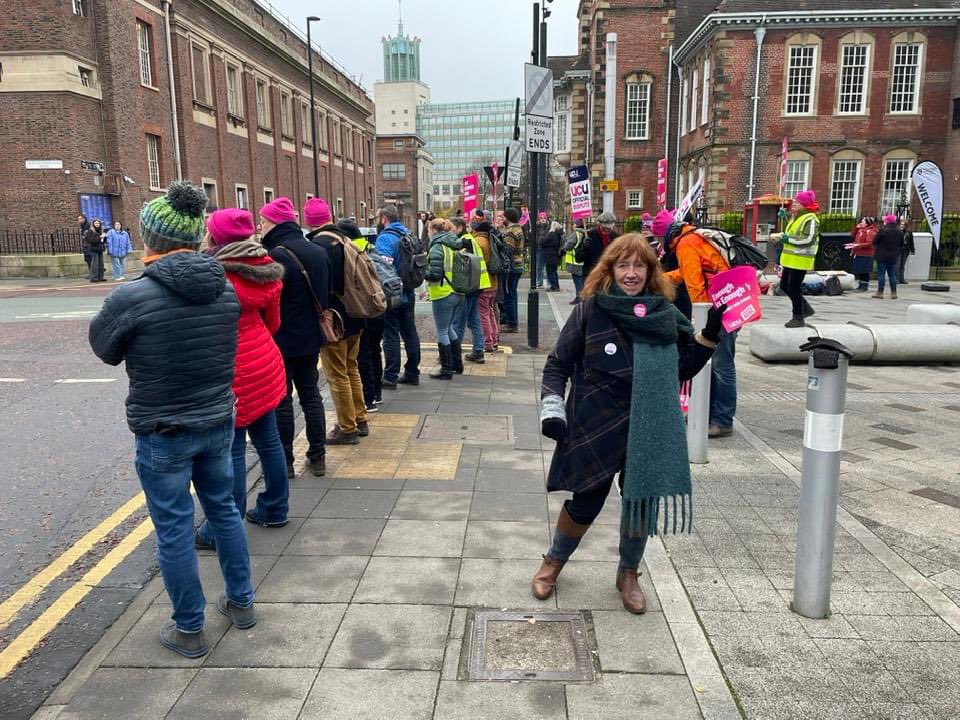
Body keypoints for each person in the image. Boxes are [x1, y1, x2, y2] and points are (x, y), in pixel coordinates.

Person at [89, 182, 255, 658]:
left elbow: (104, 349)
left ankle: (189, 628)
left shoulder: (133, 296)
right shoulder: (224, 288)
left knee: (175, 528)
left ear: (151, 239)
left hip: (164, 429)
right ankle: (241, 603)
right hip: (217, 419)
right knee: (223, 509)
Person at [534, 233, 722, 613]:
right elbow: (558, 364)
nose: (631, 273)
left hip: (649, 424)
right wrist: (552, 407)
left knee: (640, 502)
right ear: (610, 269)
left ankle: (628, 573)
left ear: (651, 272)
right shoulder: (590, 309)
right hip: (595, 419)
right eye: (623, 265)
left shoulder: (665, 316)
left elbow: (680, 370)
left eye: (639, 265)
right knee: (586, 500)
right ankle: (553, 562)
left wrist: (709, 336)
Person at [194, 208, 289, 544]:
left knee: (231, 451)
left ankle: (221, 528)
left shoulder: (212, 275)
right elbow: (273, 323)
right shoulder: (267, 269)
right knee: (270, 441)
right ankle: (275, 509)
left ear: (216, 237)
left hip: (231, 371)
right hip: (265, 363)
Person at [259, 197, 331, 477]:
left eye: (263, 221)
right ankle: (318, 456)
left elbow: (269, 300)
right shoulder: (316, 250)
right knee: (311, 395)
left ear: (275, 223)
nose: (260, 226)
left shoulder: (276, 255)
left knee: (282, 400)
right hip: (311, 337)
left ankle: (286, 461)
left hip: (282, 339)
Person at [652, 210, 738, 439]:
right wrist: (661, 279)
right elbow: (688, 271)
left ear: (665, 235)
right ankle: (709, 414)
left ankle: (722, 420)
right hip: (729, 301)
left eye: (659, 239)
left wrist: (699, 321)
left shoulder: (686, 244)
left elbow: (695, 286)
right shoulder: (694, 237)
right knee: (717, 364)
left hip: (719, 308)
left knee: (720, 365)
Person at [304, 197, 368, 444]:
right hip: (356, 313)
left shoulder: (319, 246)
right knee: (352, 368)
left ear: (310, 222)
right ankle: (359, 418)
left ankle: (347, 427)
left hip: (335, 320)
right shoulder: (346, 240)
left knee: (337, 373)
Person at [339, 219, 384, 411]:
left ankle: (369, 398)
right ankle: (377, 393)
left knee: (362, 354)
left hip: (362, 309)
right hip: (378, 305)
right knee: (375, 350)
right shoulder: (371, 247)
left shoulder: (347, 252)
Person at [376, 205, 421, 387]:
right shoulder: (409, 234)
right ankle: (412, 372)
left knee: (391, 334)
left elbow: (383, 268)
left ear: (384, 218)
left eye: (379, 217)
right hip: (409, 290)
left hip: (393, 293)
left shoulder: (385, 238)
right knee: (410, 331)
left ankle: (390, 376)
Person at [771, 190, 820, 328]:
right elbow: (794, 232)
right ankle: (805, 308)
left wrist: (787, 239)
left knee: (793, 287)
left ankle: (798, 316)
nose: (793, 204)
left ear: (804, 204)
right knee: (784, 286)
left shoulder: (810, 219)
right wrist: (785, 218)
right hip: (791, 259)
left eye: (797, 202)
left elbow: (808, 239)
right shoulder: (796, 217)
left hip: (800, 259)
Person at [424, 218, 464, 380]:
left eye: (428, 230)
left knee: (442, 330)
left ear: (434, 230)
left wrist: (420, 272)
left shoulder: (437, 248)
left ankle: (446, 369)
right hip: (457, 291)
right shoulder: (455, 244)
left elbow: (434, 274)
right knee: (449, 329)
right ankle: (457, 364)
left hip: (443, 292)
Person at [450, 216, 488, 363]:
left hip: (468, 287)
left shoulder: (464, 241)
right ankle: (478, 351)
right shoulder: (470, 239)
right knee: (474, 320)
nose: (450, 232)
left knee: (458, 323)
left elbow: (461, 266)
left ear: (459, 228)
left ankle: (454, 354)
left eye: (452, 229)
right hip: (477, 285)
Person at [469, 211, 499, 356]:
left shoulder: (477, 242)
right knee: (491, 312)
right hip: (493, 282)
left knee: (483, 314)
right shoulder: (489, 238)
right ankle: (494, 339)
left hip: (483, 283)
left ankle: (487, 342)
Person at [501, 208, 525, 333]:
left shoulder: (510, 232)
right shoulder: (519, 229)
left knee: (508, 295)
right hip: (518, 264)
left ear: (508, 218)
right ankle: (513, 322)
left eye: (504, 217)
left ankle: (512, 323)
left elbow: (508, 250)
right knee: (513, 294)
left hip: (511, 266)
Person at [578, 212, 619, 282]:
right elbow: (578, 259)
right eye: (604, 228)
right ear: (599, 224)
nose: (606, 230)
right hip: (591, 276)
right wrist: (584, 247)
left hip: (609, 277)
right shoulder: (589, 235)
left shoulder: (616, 238)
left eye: (609, 228)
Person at [873, 213, 904, 300]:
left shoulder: (883, 231)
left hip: (882, 256)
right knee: (892, 275)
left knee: (881, 274)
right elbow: (902, 244)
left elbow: (875, 241)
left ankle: (880, 292)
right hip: (893, 256)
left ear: (887, 221)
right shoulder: (900, 232)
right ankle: (893, 293)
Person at [849, 217, 877, 292]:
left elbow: (870, 243)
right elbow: (852, 236)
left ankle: (864, 286)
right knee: (859, 270)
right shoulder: (860, 230)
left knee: (864, 271)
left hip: (866, 254)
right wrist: (856, 228)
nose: (861, 223)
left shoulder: (870, 231)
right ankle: (860, 285)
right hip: (858, 253)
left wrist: (858, 245)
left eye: (863, 222)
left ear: (867, 223)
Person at [562, 219, 586, 304]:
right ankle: (582, 297)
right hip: (583, 261)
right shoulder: (585, 233)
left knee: (577, 281)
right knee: (582, 280)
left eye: (574, 224)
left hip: (575, 261)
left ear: (576, 225)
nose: (573, 225)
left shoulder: (576, 234)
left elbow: (569, 245)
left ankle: (579, 298)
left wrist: (564, 247)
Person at [541, 221, 564, 292]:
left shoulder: (551, 235)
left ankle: (554, 286)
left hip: (550, 256)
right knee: (554, 271)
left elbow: (542, 242)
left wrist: (541, 239)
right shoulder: (558, 235)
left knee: (550, 272)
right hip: (555, 255)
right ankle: (556, 286)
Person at [898, 219, 916, 285]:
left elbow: (911, 242)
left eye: (903, 225)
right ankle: (896, 279)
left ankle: (902, 279)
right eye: (901, 224)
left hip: (906, 250)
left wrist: (912, 249)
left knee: (902, 265)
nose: (902, 226)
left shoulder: (909, 232)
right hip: (898, 250)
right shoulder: (897, 231)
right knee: (898, 264)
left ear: (906, 225)